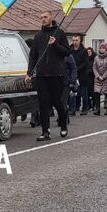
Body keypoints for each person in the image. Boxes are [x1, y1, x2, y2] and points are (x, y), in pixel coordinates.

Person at [27, 10, 71, 141]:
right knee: (43, 104)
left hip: (56, 74)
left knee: (58, 102)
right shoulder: (38, 36)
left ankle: (63, 124)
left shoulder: (60, 33)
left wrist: (55, 44)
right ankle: (45, 131)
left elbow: (67, 52)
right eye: (41, 17)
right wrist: (29, 73)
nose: (43, 19)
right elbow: (33, 56)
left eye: (45, 17)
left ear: (51, 17)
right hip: (41, 75)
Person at [70, 36, 90, 116]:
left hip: (82, 75)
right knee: (72, 93)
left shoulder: (84, 51)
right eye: (73, 40)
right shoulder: (70, 50)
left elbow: (85, 63)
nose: (75, 42)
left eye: (76, 40)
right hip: (72, 75)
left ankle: (85, 108)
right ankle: (72, 109)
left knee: (83, 93)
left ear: (80, 41)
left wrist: (76, 69)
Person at [93, 43, 107, 115]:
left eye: (103, 48)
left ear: (105, 49)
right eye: (100, 48)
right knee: (96, 92)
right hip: (98, 78)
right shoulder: (96, 57)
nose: (101, 49)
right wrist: (98, 76)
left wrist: (104, 76)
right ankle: (97, 109)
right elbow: (94, 67)